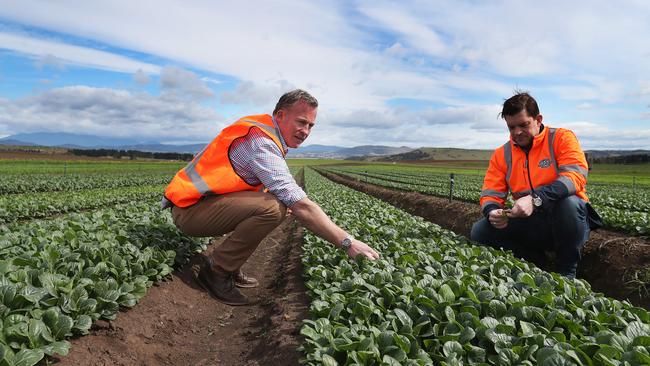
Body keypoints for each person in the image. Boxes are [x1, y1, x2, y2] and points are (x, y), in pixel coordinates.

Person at [162, 89, 380, 306]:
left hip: (200, 205)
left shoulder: (263, 130)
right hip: (189, 211)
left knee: (277, 205)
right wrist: (348, 242)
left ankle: (231, 265)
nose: (305, 131)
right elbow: (301, 204)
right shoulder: (262, 143)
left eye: (310, 126)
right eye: (301, 122)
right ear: (280, 115)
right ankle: (216, 272)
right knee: (274, 208)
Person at [470, 92, 601, 279]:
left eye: (523, 125)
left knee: (569, 204)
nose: (517, 132)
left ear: (538, 119)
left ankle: (566, 271)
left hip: (565, 220)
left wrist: (535, 199)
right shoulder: (502, 154)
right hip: (530, 221)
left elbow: (575, 175)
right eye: (511, 127)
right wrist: (492, 210)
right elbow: (491, 191)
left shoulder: (561, 138)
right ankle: (534, 260)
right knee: (480, 231)